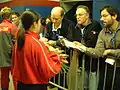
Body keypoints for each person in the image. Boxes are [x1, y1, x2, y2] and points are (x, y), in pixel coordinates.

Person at [12, 10, 67, 90]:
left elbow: (15, 64)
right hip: (36, 85)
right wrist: (55, 56)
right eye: (39, 22)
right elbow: (48, 70)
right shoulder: (37, 44)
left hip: (21, 84)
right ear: (35, 23)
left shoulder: (19, 41)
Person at [73, 5, 120, 90]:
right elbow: (98, 52)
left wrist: (110, 51)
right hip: (107, 69)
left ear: (114, 16)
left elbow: (105, 52)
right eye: (101, 16)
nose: (101, 19)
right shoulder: (103, 32)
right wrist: (83, 48)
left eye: (105, 16)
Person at [72, 5, 102, 90]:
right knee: (82, 86)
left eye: (80, 15)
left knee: (92, 86)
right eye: (76, 15)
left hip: (92, 63)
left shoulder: (95, 25)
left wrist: (79, 45)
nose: (78, 17)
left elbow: (92, 43)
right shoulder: (76, 27)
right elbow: (73, 40)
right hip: (81, 62)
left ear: (87, 15)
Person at [44, 6, 75, 90]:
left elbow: (70, 39)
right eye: (52, 18)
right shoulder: (49, 24)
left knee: (62, 75)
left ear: (62, 17)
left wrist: (55, 42)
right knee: (53, 73)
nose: (54, 21)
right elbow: (46, 35)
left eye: (56, 19)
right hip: (52, 54)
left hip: (64, 54)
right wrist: (45, 40)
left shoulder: (69, 25)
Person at [0, 7, 18, 90]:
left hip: (1, 56)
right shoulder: (13, 26)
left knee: (4, 76)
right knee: (15, 76)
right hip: (12, 56)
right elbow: (17, 41)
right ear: (10, 15)